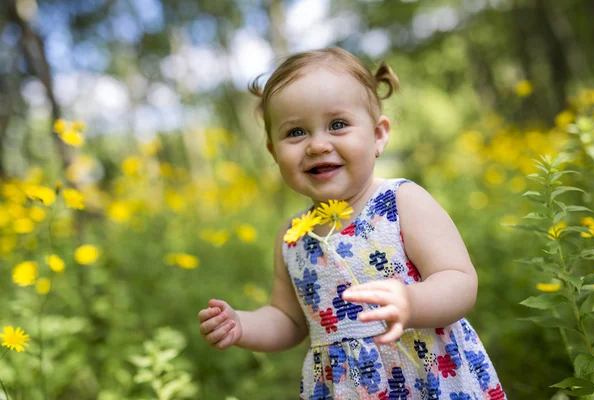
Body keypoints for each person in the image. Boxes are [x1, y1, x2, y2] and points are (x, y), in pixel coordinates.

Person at [198, 47, 505, 399]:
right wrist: (242, 324)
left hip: (427, 375)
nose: (317, 144)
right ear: (273, 151)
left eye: (337, 125)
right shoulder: (293, 238)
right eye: (295, 132)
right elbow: (289, 320)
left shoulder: (400, 201)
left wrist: (411, 302)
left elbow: (460, 280)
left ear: (377, 135)